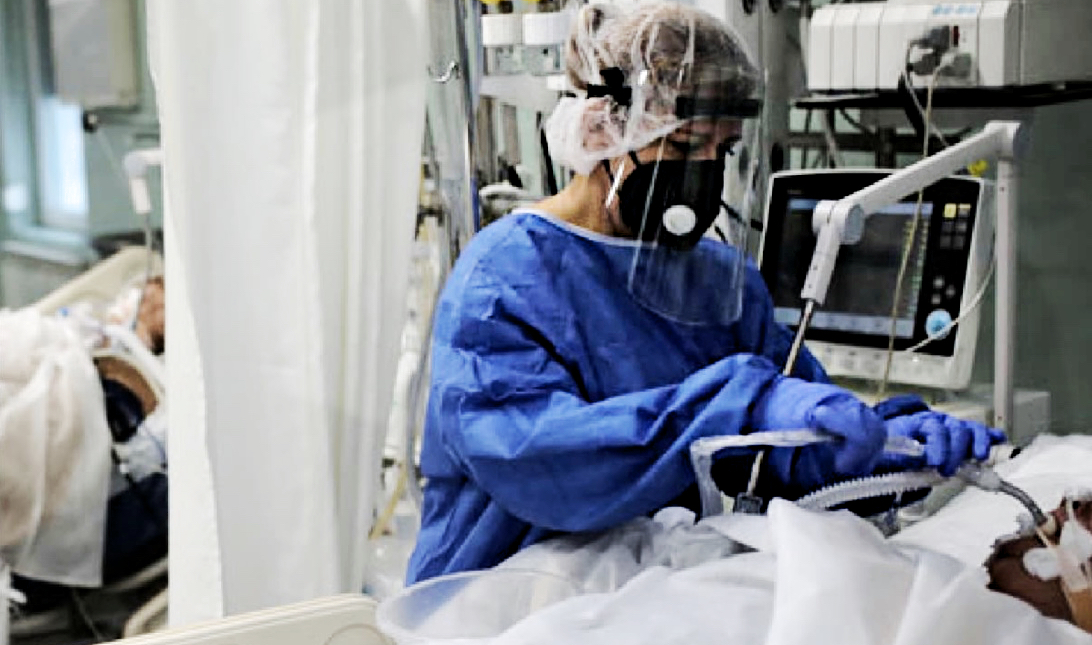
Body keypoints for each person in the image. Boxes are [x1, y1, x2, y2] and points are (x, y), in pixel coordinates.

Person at [405, 1, 1004, 584]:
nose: (705, 170)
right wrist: (738, 404)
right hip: (506, 599)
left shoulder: (720, 280)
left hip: (656, 594)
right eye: (686, 147)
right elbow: (543, 465)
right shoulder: (504, 277)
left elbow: (781, 443)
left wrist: (877, 447)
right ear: (603, 129)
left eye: (725, 149)